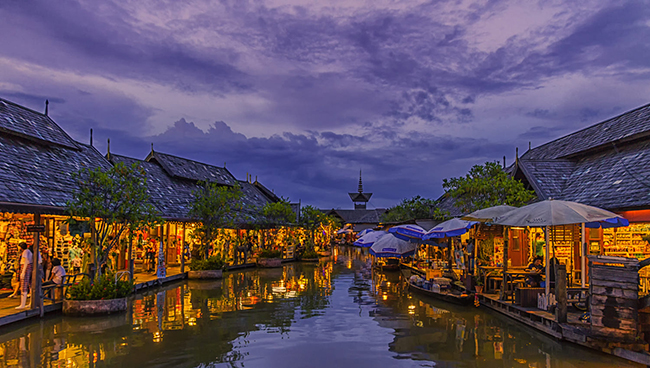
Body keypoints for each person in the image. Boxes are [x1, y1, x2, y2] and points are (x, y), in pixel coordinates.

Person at [16, 242, 31, 309]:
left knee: (24, 285)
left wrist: (23, 272)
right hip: (29, 267)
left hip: (26, 268)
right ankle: (30, 303)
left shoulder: (25, 252)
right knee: (30, 285)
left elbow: (26, 261)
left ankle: (22, 304)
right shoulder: (29, 251)